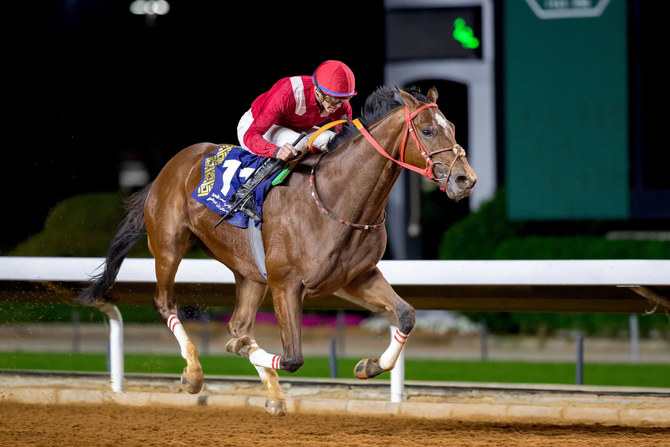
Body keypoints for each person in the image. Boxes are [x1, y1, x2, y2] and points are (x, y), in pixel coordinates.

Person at [237, 60, 357, 161]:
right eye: (333, 99)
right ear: (317, 91)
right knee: (298, 144)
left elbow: (345, 138)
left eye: (344, 99)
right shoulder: (287, 93)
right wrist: (276, 151)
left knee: (333, 142)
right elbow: (250, 136)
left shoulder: (341, 105)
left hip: (298, 129)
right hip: (255, 127)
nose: (338, 105)